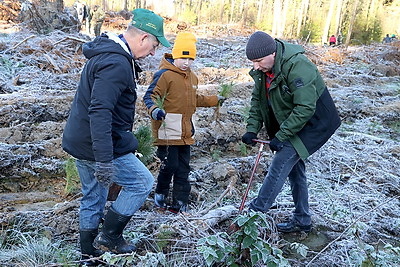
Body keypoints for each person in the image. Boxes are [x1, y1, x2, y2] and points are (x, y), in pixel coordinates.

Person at [62, 8, 170, 265]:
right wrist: (104, 160)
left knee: (93, 196)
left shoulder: (109, 54)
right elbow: (99, 112)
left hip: (82, 142)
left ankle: (87, 253)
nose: (154, 52)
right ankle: (109, 237)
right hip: (97, 145)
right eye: (154, 45)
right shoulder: (116, 64)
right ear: (143, 38)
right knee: (141, 182)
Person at [242, 31, 341, 233]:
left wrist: (282, 136)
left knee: (281, 162)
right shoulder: (263, 71)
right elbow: (257, 103)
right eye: (252, 62)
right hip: (293, 121)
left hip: (315, 122)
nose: (255, 66)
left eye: (259, 60)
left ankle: (253, 215)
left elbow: (305, 107)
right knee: (295, 170)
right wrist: (252, 129)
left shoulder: (298, 66)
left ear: (272, 53)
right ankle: (302, 220)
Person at [143, 32, 226, 213]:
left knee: (183, 168)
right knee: (169, 164)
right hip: (168, 125)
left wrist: (213, 100)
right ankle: (160, 196)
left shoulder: (192, 77)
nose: (186, 63)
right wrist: (155, 110)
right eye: (182, 58)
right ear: (175, 55)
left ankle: (180, 202)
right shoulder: (164, 75)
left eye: (190, 59)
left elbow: (194, 98)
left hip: (186, 128)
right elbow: (150, 96)